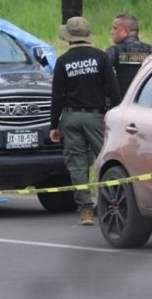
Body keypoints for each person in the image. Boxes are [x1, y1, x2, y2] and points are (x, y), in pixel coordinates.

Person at [49, 17, 121, 226]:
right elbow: (114, 91)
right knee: (107, 160)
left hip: (71, 117)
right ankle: (112, 203)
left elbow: (57, 96)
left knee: (77, 164)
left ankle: (85, 211)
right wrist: (114, 115)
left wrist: (54, 125)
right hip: (96, 117)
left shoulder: (63, 61)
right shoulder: (101, 58)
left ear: (68, 37)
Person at [105, 14, 152, 95]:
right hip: (145, 100)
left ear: (126, 31)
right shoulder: (151, 51)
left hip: (122, 102)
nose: (111, 32)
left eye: (115, 28)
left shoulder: (114, 52)